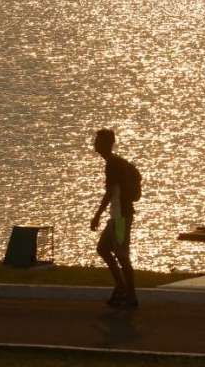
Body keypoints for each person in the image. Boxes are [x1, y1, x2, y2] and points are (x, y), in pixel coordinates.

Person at [90, 129, 141, 308]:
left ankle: (131, 295)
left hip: (120, 218)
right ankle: (121, 286)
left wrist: (96, 216)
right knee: (103, 248)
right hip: (116, 217)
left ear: (106, 144)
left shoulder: (112, 164)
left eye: (98, 141)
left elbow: (110, 192)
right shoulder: (115, 162)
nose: (95, 144)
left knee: (121, 255)